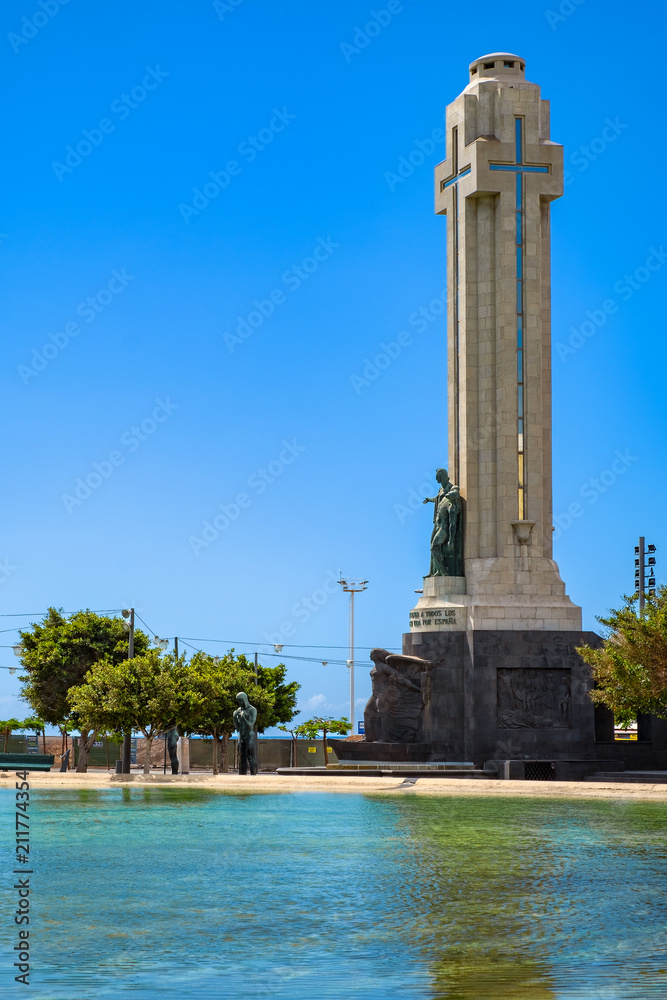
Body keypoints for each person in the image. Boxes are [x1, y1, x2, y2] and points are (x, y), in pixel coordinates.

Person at [423, 468, 463, 576]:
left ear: (442, 476)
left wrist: (451, 540)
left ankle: (443, 571)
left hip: (444, 526)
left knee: (434, 547)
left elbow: (452, 522)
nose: (436, 480)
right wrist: (429, 499)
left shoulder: (450, 489)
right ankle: (436, 570)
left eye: (438, 477)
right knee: (432, 546)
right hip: (438, 523)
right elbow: (437, 499)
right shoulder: (441, 489)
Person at [233, 692, 258, 775]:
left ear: (245, 699)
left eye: (241, 700)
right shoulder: (238, 711)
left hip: (249, 735)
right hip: (241, 734)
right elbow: (237, 726)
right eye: (238, 701)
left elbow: (251, 726)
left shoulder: (252, 710)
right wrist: (235, 718)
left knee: (251, 755)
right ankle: (242, 775)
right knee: (241, 756)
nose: (240, 703)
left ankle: (253, 775)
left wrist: (243, 717)